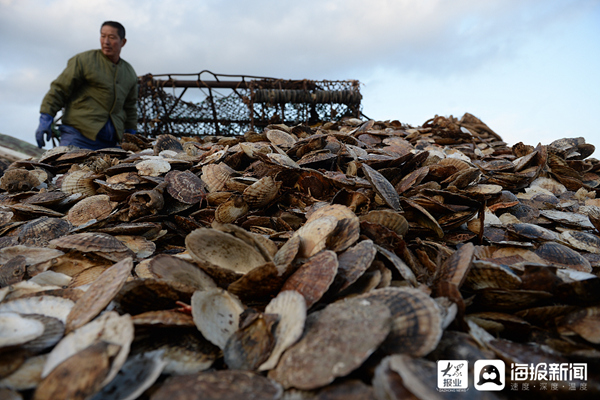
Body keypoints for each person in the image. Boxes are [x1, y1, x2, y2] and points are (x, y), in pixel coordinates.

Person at [35, 21, 138, 150]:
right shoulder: (83, 61)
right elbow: (59, 89)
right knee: (66, 168)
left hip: (110, 143)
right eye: (102, 36)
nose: (106, 42)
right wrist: (46, 117)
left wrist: (130, 132)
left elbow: (130, 107)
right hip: (77, 136)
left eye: (112, 37)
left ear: (123, 42)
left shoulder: (129, 73)